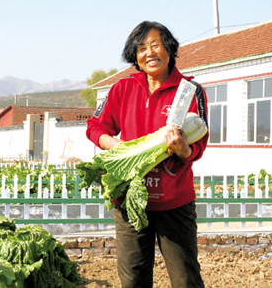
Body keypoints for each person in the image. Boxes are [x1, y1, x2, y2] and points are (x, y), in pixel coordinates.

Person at [85, 21, 208, 288]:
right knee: (133, 279)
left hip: (174, 201)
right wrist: (115, 147)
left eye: (156, 45)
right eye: (141, 48)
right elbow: (95, 126)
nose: (149, 53)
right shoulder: (122, 88)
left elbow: (200, 138)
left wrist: (184, 150)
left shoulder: (189, 91)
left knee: (186, 279)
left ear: (169, 50)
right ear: (135, 57)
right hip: (130, 199)